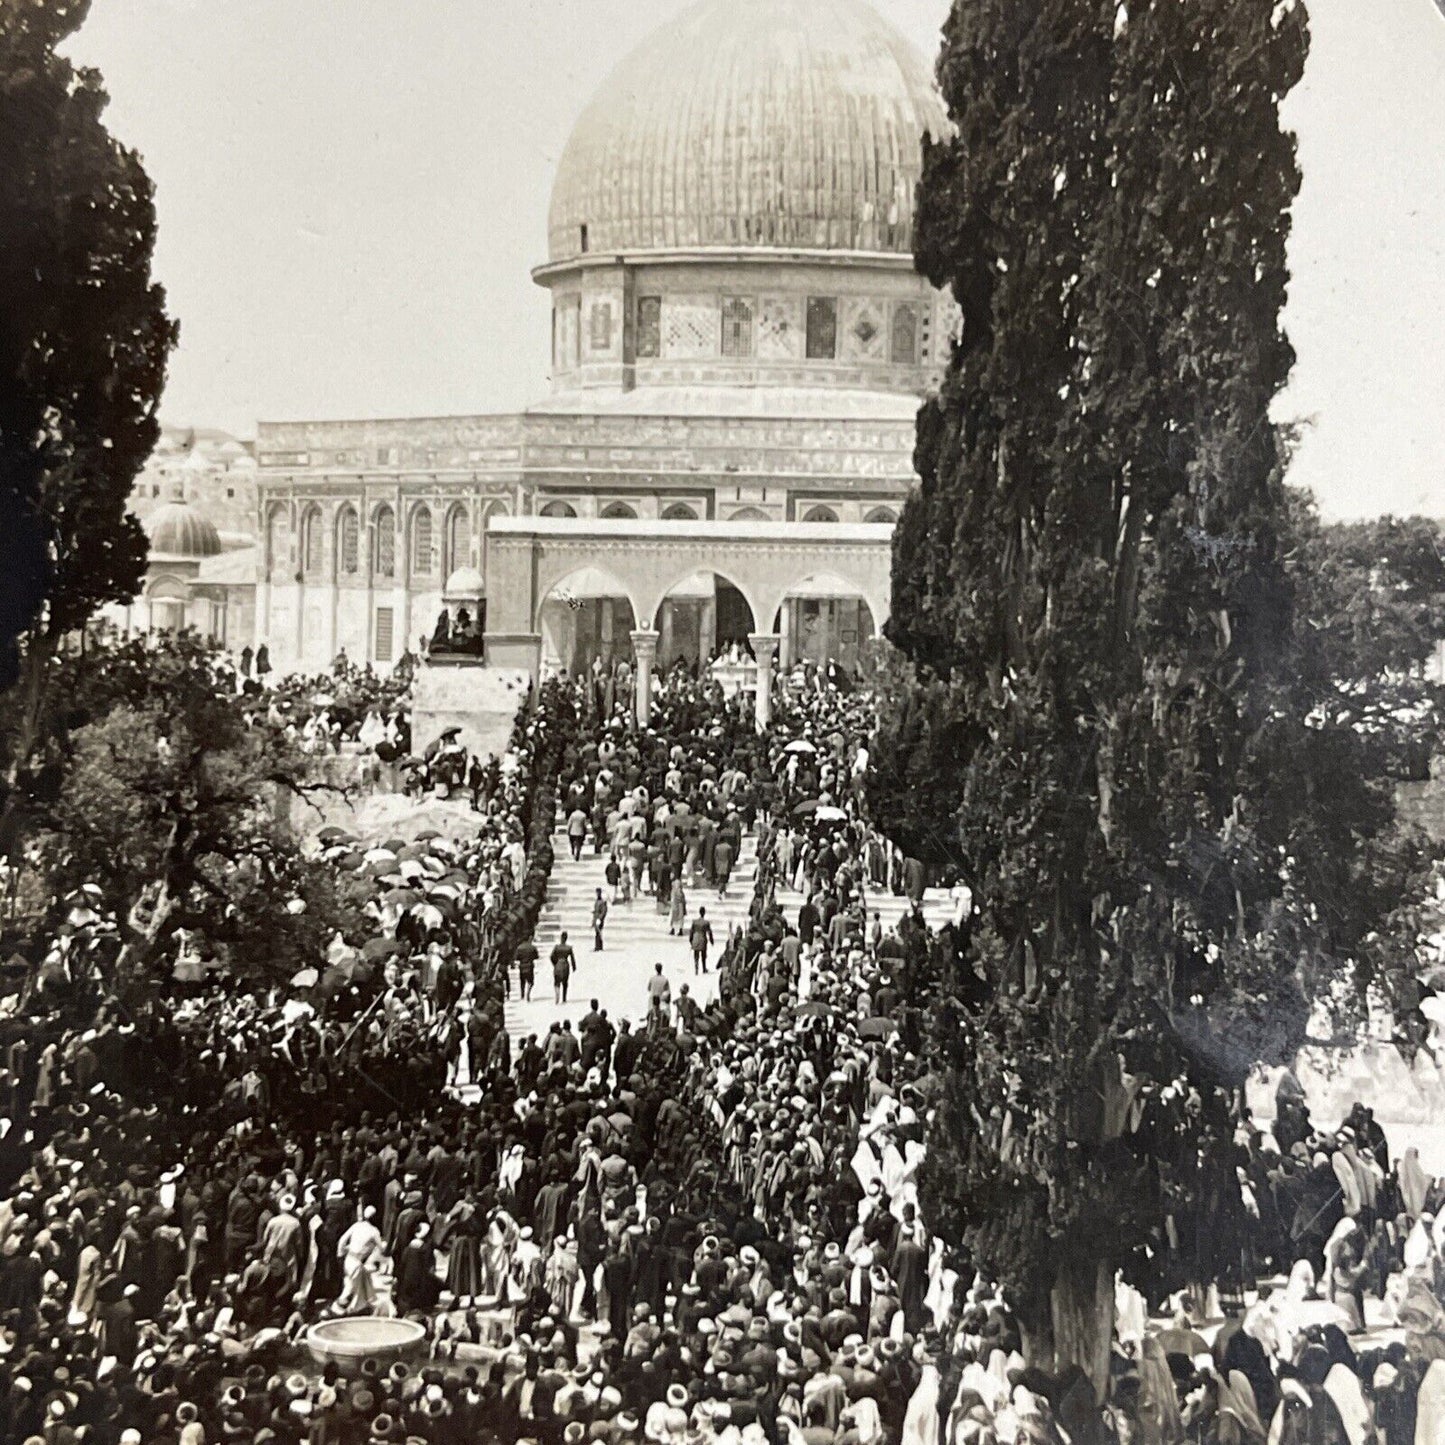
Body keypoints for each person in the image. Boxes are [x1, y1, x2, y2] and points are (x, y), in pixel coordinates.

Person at [551, 932, 576, 1004]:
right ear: (566, 939)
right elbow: (572, 958)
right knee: (565, 982)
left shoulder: (556, 947)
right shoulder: (569, 948)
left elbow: (551, 956)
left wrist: (555, 964)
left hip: (558, 965)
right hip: (565, 965)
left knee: (556, 981)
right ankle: (564, 998)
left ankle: (557, 992)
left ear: (561, 938)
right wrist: (574, 967)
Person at [689, 907, 714, 975]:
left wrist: (691, 940)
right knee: (703, 955)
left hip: (695, 938)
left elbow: (691, 932)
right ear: (704, 913)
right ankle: (704, 968)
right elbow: (709, 932)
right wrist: (712, 941)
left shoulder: (694, 922)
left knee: (696, 955)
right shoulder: (706, 922)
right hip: (702, 939)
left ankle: (696, 969)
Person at [646, 962, 671, 1026]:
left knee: (649, 1015)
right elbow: (667, 991)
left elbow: (648, 989)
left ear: (655, 969)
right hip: (661, 1000)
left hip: (652, 1000)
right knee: (667, 1016)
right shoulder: (665, 979)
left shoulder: (652, 978)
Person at [516, 936, 537, 1001]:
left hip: (522, 966)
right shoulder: (532, 947)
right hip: (530, 965)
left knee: (522, 981)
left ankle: (522, 995)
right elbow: (536, 956)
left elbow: (516, 958)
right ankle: (528, 992)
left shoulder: (519, 948)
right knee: (531, 982)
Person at [591, 888, 608, 952]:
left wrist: (600, 918)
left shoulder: (603, 902)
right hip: (596, 917)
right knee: (597, 933)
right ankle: (597, 946)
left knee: (599, 933)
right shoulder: (597, 901)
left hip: (599, 919)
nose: (597, 894)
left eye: (598, 893)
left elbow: (604, 911)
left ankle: (599, 946)